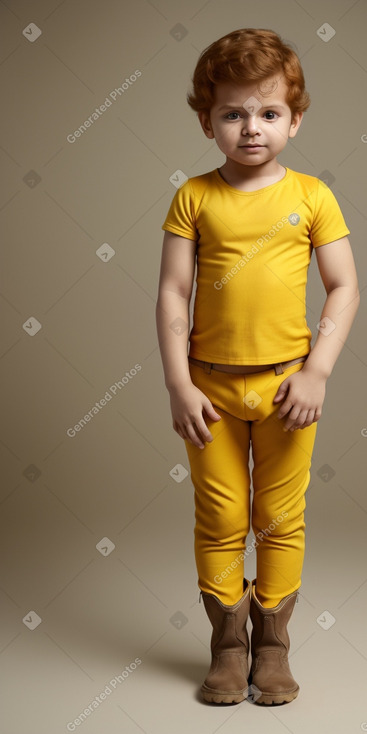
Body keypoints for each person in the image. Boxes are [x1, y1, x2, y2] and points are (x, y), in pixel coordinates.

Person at [155, 28, 359, 706]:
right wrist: (179, 384)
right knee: (218, 516)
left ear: (294, 120)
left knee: (277, 516)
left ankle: (271, 645)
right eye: (232, 113)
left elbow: (344, 287)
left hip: (286, 388)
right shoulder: (193, 197)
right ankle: (226, 645)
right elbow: (170, 294)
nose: (250, 128)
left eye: (268, 113)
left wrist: (317, 372)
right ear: (206, 119)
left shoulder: (311, 196)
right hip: (208, 387)